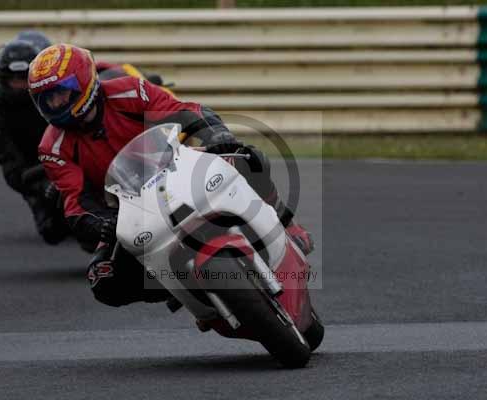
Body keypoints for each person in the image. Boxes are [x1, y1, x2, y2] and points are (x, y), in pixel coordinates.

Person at [31, 44, 314, 307]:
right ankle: (181, 289)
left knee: (248, 159)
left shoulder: (129, 91)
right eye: (47, 99)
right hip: (124, 210)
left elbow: (182, 111)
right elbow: (76, 202)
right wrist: (100, 224)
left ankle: (287, 225)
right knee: (103, 281)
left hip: (176, 167)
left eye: (61, 93)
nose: (55, 104)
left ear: (83, 81)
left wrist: (216, 135)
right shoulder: (51, 147)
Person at [0, 32, 164, 249]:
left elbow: (106, 72)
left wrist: (144, 83)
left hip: (94, 156)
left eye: (23, 79)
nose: (56, 101)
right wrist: (46, 183)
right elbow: (13, 170)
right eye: (14, 81)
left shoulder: (71, 90)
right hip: (44, 172)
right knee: (56, 230)